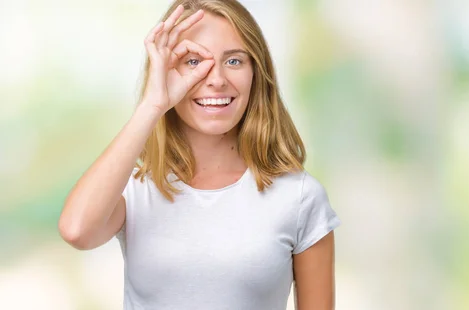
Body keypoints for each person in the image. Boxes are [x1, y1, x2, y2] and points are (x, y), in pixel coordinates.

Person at [58, 0, 341, 309]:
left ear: (256, 74)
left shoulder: (300, 197)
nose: (216, 79)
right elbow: (77, 231)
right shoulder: (133, 190)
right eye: (193, 61)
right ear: (165, 71)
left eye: (234, 61)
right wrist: (152, 105)